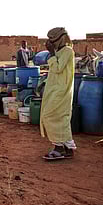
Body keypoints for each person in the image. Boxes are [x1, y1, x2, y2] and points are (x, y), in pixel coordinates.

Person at [40, 27, 76, 160]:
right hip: (54, 89)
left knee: (50, 116)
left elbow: (58, 68)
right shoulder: (59, 51)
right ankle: (67, 148)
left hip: (61, 90)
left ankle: (59, 147)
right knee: (61, 118)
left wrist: (51, 54)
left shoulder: (67, 51)